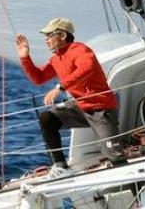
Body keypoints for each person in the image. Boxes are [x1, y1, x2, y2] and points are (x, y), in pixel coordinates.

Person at [15, 18, 126, 179]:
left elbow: (86, 69)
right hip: (80, 107)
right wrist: (25, 58)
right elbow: (38, 78)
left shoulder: (80, 50)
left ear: (62, 35)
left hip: (101, 109)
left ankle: (136, 192)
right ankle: (61, 166)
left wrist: (60, 87)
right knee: (47, 118)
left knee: (116, 158)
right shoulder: (56, 58)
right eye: (45, 36)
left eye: (49, 35)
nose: (46, 39)